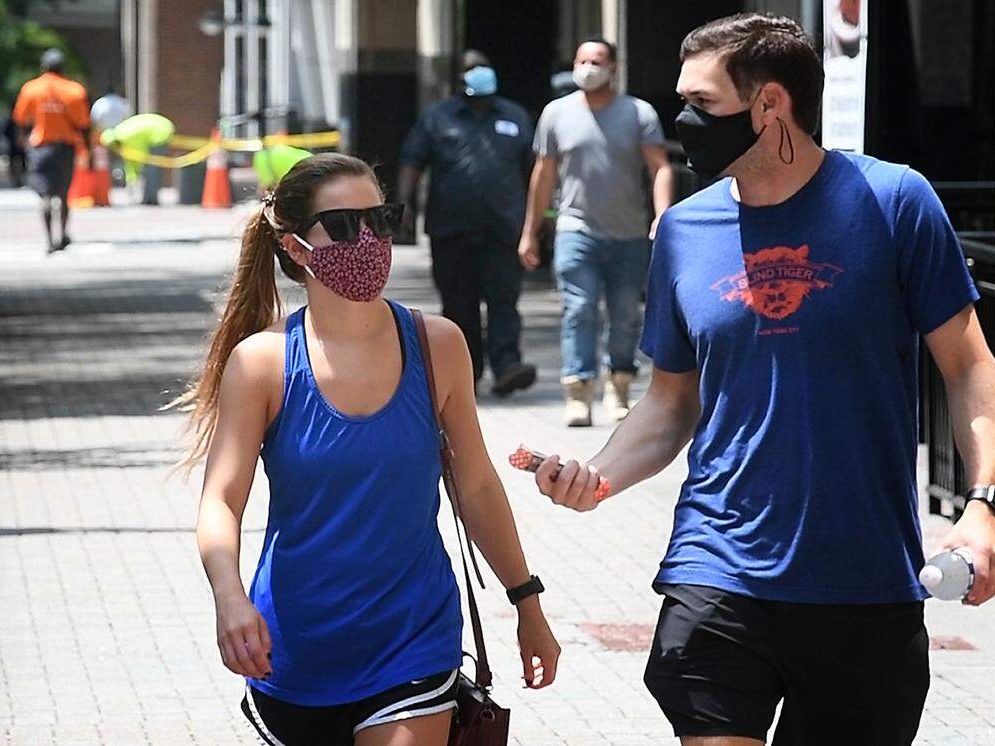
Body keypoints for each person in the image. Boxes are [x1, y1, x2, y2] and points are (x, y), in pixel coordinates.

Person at [529, 14, 995, 745]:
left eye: (702, 103)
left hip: (862, 574)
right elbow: (671, 400)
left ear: (770, 105)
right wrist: (597, 476)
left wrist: (983, 505)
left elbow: (969, 365)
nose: (685, 121)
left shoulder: (894, 202)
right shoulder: (683, 231)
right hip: (716, 561)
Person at [173, 153, 559, 745]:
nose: (369, 240)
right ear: (296, 247)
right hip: (292, 648)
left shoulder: (437, 345)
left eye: (380, 220)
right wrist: (229, 598)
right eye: (345, 225)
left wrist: (527, 604)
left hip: (413, 640)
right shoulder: (262, 363)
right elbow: (221, 500)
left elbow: (477, 486)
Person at [519, 37, 674, 427]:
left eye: (597, 61)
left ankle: (619, 383)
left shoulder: (639, 113)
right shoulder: (556, 113)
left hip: (628, 233)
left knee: (625, 314)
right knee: (579, 308)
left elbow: (660, 167)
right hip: (576, 229)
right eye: (582, 60)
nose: (588, 68)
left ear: (613, 68)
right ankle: (578, 390)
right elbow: (543, 174)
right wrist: (530, 231)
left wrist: (663, 216)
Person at [398, 50, 537, 397]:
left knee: (504, 300)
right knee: (459, 304)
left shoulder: (515, 116)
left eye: (483, 67)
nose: (479, 73)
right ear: (459, 78)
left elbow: (535, 170)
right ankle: (467, 372)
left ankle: (507, 366)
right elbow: (412, 161)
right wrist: (404, 205)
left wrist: (539, 219)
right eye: (472, 69)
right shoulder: (437, 118)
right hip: (451, 229)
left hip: (503, 228)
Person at [12, 48, 91, 253]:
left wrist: (22, 142)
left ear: (43, 67)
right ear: (63, 68)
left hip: (40, 147)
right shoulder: (74, 90)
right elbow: (84, 125)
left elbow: (20, 119)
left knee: (46, 196)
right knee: (63, 195)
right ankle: (62, 235)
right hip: (65, 148)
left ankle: (49, 240)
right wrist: (87, 151)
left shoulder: (31, 89)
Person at [100, 112, 174, 205]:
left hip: (160, 133)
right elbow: (132, 162)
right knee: (150, 168)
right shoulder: (121, 132)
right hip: (160, 127)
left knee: (151, 168)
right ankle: (149, 198)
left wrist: (133, 178)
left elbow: (140, 157)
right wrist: (132, 177)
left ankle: (150, 200)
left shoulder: (126, 138)